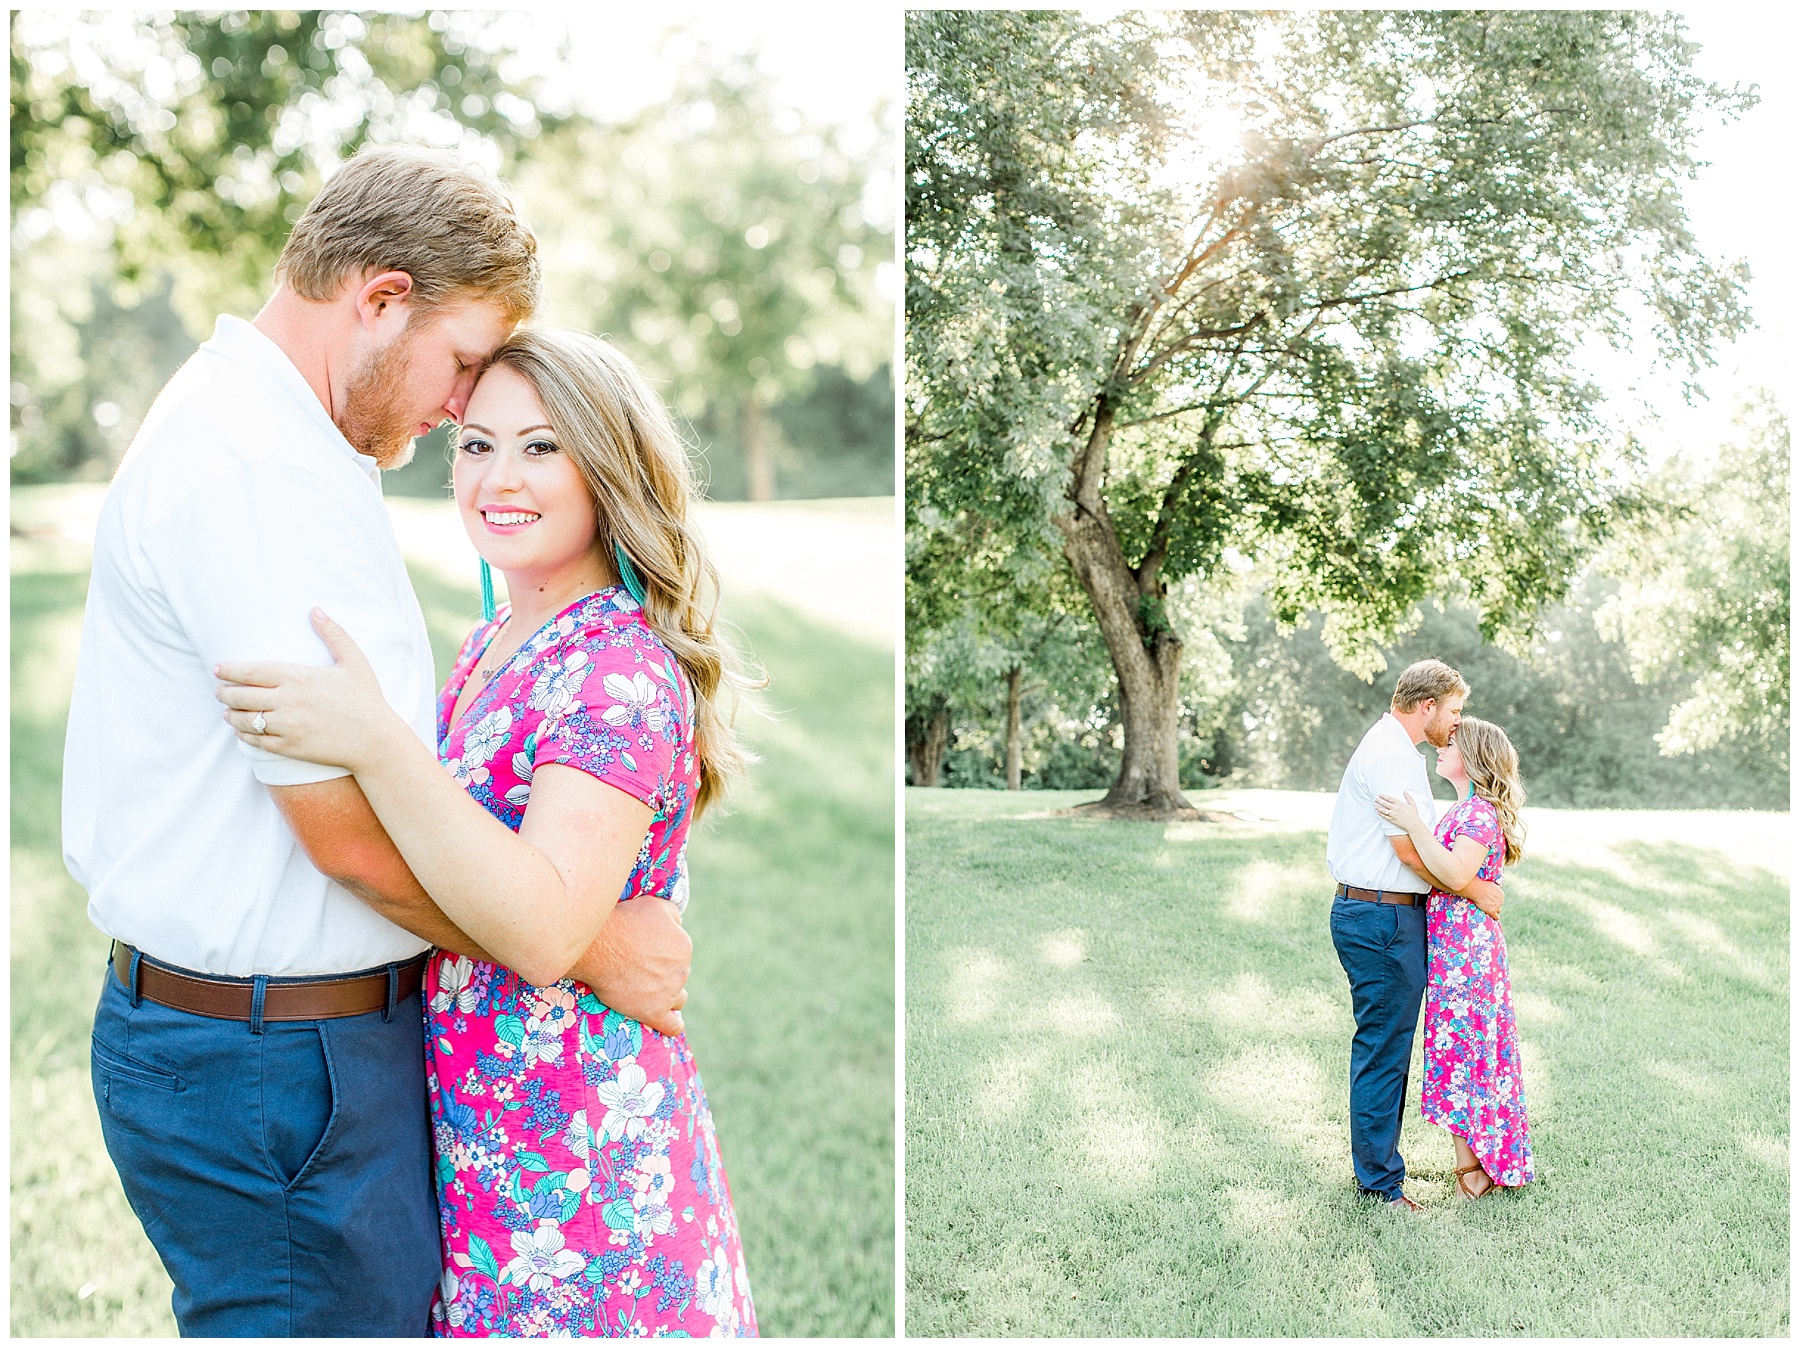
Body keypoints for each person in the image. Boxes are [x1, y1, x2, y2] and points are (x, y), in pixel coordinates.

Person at [63, 146, 691, 1337]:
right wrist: (587, 943)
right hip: (274, 1069)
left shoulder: (286, 438)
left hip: (293, 1052)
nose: (464, 406)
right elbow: (347, 837)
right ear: (381, 298)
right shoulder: (254, 467)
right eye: (462, 366)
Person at [214, 328, 759, 1337]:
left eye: (542, 447)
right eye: (476, 443)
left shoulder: (617, 671)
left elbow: (546, 927)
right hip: (484, 1129)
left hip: (583, 1150)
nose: (498, 477)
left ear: (610, 465)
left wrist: (377, 741)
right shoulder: (497, 639)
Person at [1324, 659, 1503, 1210]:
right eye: (1452, 710)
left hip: (1387, 914)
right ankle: (1379, 1185)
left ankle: (1380, 1170)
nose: (1456, 722)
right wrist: (1471, 888)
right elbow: (1406, 848)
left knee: (1388, 1044)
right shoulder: (1391, 757)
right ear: (1427, 707)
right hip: (1380, 918)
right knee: (1384, 1048)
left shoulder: (1397, 751)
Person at [1376, 716, 1534, 1199]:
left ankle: (1477, 1169)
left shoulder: (1480, 814)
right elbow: (1451, 875)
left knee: (1467, 1052)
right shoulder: (1463, 809)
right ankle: (1472, 1163)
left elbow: (1452, 868)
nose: (1442, 747)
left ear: (1475, 757)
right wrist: (1482, 889)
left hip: (1469, 952)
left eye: (1453, 744)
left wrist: (1413, 826)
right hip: (1452, 946)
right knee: (1456, 1053)